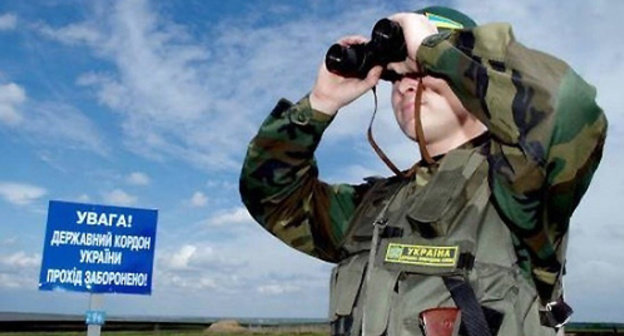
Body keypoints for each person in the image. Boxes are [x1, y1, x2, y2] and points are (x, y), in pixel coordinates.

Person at [239, 6, 607, 336]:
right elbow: (270, 196)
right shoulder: (377, 206)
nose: (405, 85)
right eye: (396, 77)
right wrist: (320, 104)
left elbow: (568, 107)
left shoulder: (517, 183)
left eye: (424, 70)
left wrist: (435, 48)